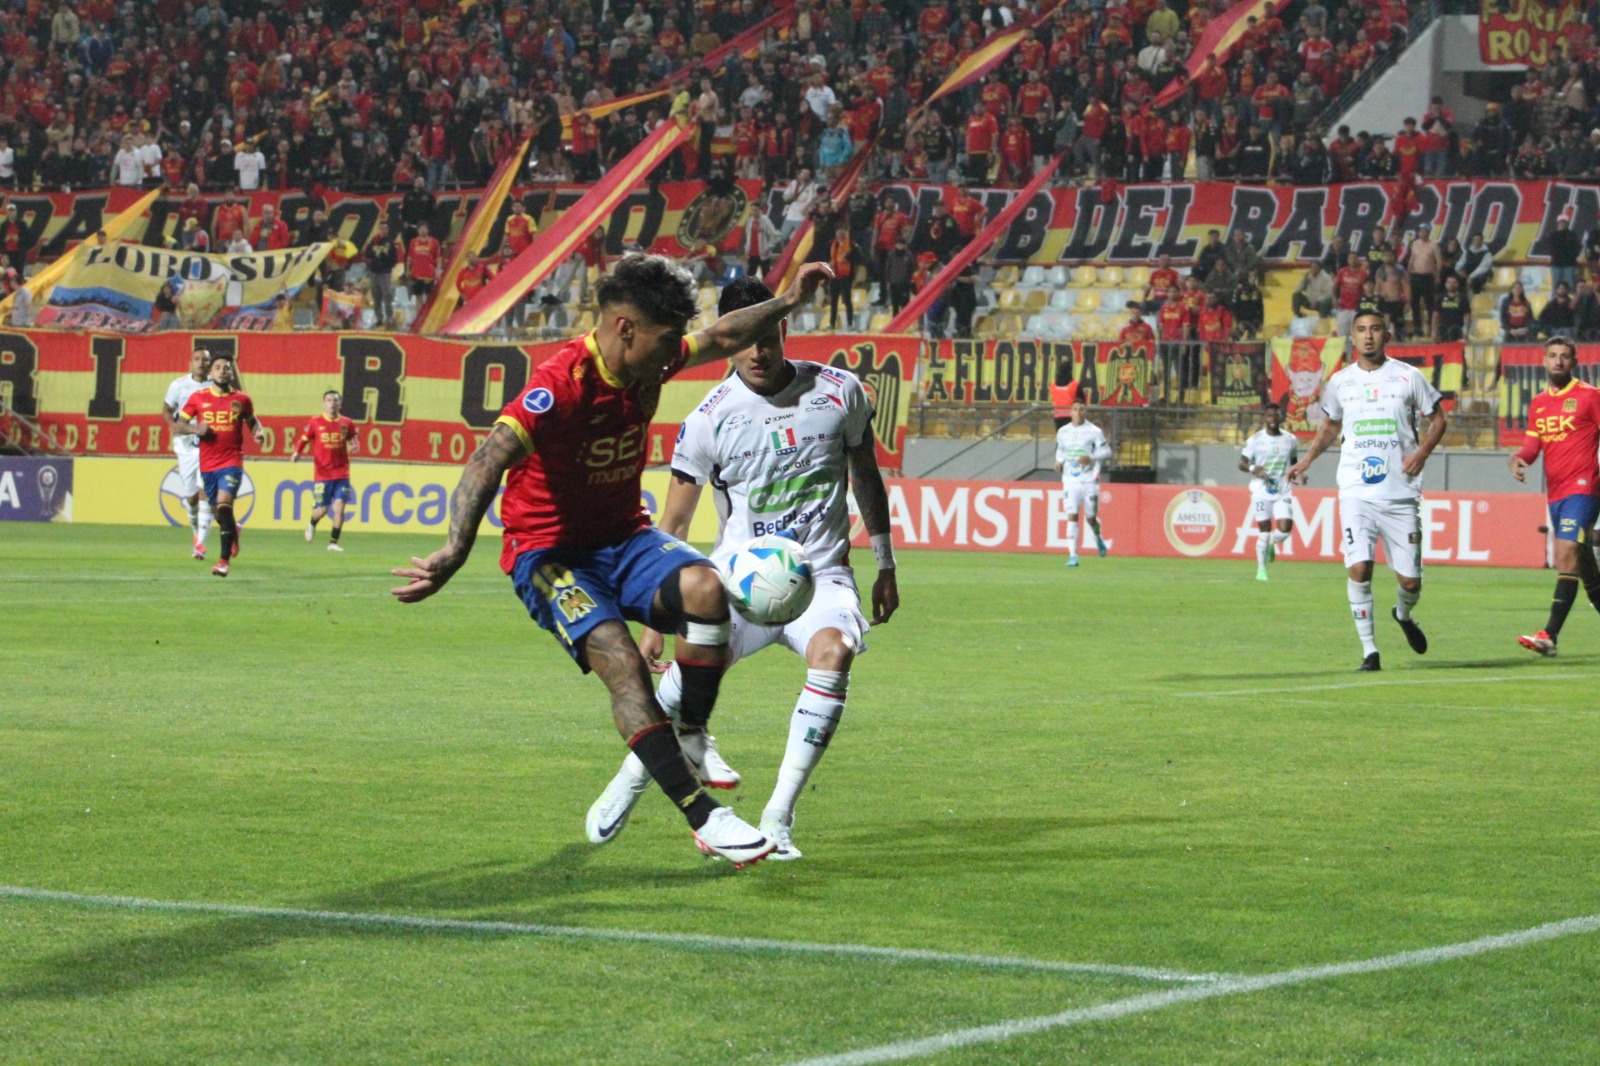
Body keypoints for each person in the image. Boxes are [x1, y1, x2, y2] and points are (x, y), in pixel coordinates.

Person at [390, 253, 835, 868]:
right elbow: (489, 457)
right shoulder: (561, 385)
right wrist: (454, 549)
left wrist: (788, 300)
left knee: (708, 589)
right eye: (663, 340)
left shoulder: (655, 355)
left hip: (625, 537)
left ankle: (692, 731)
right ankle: (705, 817)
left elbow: (725, 334)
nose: (673, 354)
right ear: (624, 328)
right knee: (623, 660)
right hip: (551, 554)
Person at [585, 278, 899, 860]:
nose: (757, 351)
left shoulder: (839, 392)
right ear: (729, 341)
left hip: (822, 577)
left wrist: (885, 562)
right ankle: (630, 781)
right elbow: (673, 524)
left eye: (767, 336)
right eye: (744, 339)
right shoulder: (708, 420)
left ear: (783, 329)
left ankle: (778, 819)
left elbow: (866, 474)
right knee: (684, 684)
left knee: (834, 653)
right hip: (737, 582)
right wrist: (656, 618)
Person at [1287, 310, 1448, 671]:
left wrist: (1422, 453)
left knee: (1409, 581)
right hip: (1356, 490)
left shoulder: (1409, 377)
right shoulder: (1341, 382)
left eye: (1375, 328)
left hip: (1400, 493)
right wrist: (1307, 460)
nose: (1368, 335)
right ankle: (1369, 652)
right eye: (1361, 330)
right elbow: (1330, 426)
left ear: (1386, 333)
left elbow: (1439, 419)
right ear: (1353, 338)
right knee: (1359, 568)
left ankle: (1403, 615)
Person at [1510, 336, 1600, 655]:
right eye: (1553, 356)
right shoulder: (1538, 403)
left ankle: (1549, 635)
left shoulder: (1590, 397)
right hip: (1556, 493)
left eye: (1564, 356)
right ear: (1544, 361)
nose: (1558, 361)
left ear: (1574, 362)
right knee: (1584, 563)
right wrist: (1520, 457)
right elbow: (1533, 446)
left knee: (1564, 554)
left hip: (1584, 488)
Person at [178, 355, 265, 578]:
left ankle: (223, 560)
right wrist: (195, 430)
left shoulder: (242, 399)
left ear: (231, 373)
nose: (223, 371)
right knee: (217, 511)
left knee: (224, 505)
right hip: (208, 465)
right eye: (218, 368)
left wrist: (258, 431)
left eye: (227, 368)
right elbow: (180, 424)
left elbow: (252, 420)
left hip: (232, 461)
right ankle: (233, 529)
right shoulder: (198, 398)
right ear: (211, 374)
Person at [162, 346, 218, 559]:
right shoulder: (179, 385)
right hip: (185, 447)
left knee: (205, 492)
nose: (201, 363)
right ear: (190, 363)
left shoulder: (217, 386)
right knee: (191, 498)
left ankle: (200, 545)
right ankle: (196, 533)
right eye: (197, 359)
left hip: (209, 446)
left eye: (205, 360)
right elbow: (167, 408)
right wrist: (172, 426)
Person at [292, 390, 359, 551]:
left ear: (340, 404)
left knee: (340, 506)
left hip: (342, 472)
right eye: (329, 400)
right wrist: (297, 452)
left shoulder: (347, 423)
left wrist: (355, 445)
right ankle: (312, 522)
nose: (332, 403)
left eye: (335, 400)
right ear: (324, 403)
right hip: (322, 474)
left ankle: (333, 543)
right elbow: (304, 439)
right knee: (322, 510)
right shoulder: (315, 422)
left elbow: (353, 440)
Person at [1239, 402, 1298, 581]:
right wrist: (1252, 468)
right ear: (1264, 418)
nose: (1272, 419)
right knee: (1264, 531)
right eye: (1269, 416)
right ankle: (1261, 570)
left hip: (1282, 491)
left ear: (1281, 418)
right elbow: (1241, 463)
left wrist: (1299, 474)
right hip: (1261, 491)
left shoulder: (1290, 440)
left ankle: (1272, 544)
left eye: (1276, 416)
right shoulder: (1255, 440)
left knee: (1285, 530)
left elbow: (1294, 462)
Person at [1053, 398, 1112, 567]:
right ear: (1070, 412)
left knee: (1090, 517)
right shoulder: (1063, 432)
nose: (1078, 412)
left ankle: (1098, 537)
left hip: (1089, 480)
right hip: (1070, 480)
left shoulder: (1094, 431)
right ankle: (1073, 556)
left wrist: (1091, 457)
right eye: (1075, 409)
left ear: (1086, 412)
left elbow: (1107, 451)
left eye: (1081, 409)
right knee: (1072, 516)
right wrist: (1059, 462)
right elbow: (1061, 450)